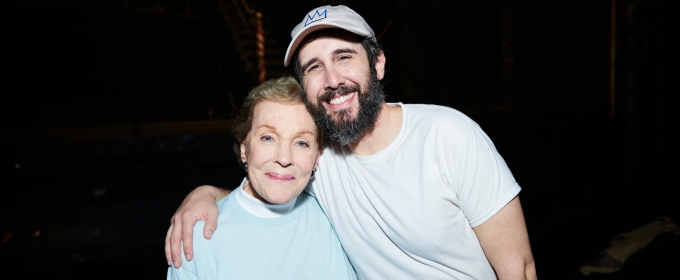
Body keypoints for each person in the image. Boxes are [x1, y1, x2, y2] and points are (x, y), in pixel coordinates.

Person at [167, 5, 536, 279]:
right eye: (314, 67)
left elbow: (518, 269)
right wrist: (202, 195)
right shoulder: (318, 157)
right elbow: (268, 180)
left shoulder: (449, 136)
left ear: (377, 65)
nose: (332, 79)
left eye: (343, 57)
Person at [167, 77, 357, 279]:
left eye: (301, 143)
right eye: (268, 138)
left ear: (317, 158)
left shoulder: (338, 217)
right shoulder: (196, 240)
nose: (284, 158)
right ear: (244, 148)